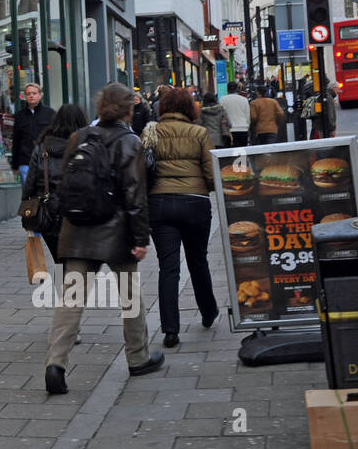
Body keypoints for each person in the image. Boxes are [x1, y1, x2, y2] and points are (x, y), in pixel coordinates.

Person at [43, 83, 164, 395]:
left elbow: (64, 182)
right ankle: (137, 358)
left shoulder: (79, 137)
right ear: (128, 109)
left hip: (78, 229)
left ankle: (55, 365)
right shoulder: (129, 141)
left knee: (71, 300)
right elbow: (135, 195)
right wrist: (140, 238)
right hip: (116, 231)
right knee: (130, 297)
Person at [147, 87, 219, 349]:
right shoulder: (199, 133)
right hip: (195, 203)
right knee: (198, 260)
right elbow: (211, 173)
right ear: (190, 109)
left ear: (163, 108)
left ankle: (170, 330)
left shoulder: (151, 131)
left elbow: (142, 167)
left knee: (168, 267)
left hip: (160, 203)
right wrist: (205, 188)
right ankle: (209, 312)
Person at [22, 103, 89, 263]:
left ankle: (64, 287)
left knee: (59, 262)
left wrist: (27, 214)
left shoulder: (42, 148)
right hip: (80, 212)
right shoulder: (87, 147)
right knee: (77, 264)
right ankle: (76, 286)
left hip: (49, 213)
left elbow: (30, 184)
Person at [11, 83, 54, 184]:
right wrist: (15, 164)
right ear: (25, 96)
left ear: (40, 95)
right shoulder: (20, 116)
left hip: (45, 160)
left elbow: (55, 137)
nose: (31, 96)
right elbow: (16, 140)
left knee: (44, 192)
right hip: (25, 161)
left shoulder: (50, 113)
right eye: (28, 94)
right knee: (28, 193)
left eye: (34, 93)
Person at [221, 82, 251, 147]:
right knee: (243, 152)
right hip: (243, 129)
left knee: (230, 153)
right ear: (237, 89)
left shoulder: (222, 99)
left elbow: (221, 116)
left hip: (229, 131)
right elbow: (248, 116)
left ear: (227, 89)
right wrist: (247, 126)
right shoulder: (244, 100)